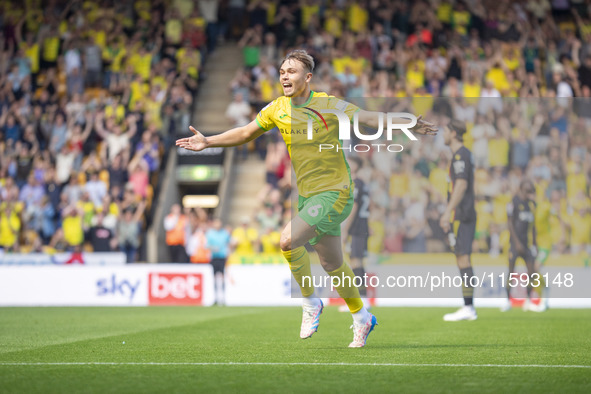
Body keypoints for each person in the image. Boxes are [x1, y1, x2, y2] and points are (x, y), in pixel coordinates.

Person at [176, 49, 436, 347]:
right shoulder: (277, 109)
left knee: (287, 240)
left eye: (292, 71)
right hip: (309, 196)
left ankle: (311, 302)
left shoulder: (327, 104)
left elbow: (366, 118)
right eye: (282, 71)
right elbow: (246, 133)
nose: (284, 75)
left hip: (336, 192)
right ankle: (362, 317)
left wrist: (404, 122)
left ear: (307, 77)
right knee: (332, 264)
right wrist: (208, 140)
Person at [439, 119, 478, 321]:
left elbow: (461, 185)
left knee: (464, 258)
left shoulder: (460, 155)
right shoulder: (460, 155)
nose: (442, 134)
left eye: (445, 130)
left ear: (453, 133)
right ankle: (468, 306)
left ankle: (469, 307)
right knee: (461, 258)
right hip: (461, 214)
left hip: (462, 215)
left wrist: (447, 211)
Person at [504, 180, 546, 312]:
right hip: (515, 244)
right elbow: (510, 224)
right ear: (521, 189)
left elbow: (532, 226)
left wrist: (535, 243)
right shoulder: (514, 202)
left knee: (531, 272)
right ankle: (507, 300)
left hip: (527, 244)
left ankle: (528, 299)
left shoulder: (531, 205)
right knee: (511, 272)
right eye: (528, 190)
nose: (530, 193)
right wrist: (516, 243)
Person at [340, 156, 371, 312]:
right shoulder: (361, 183)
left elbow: (354, 206)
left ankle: (363, 299)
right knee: (355, 261)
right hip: (361, 226)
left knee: (356, 262)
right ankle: (360, 299)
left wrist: (345, 230)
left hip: (358, 227)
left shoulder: (356, 183)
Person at [206, 218, 232, 305]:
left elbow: (230, 243)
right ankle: (215, 297)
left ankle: (223, 298)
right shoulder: (210, 233)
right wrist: (213, 248)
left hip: (222, 257)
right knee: (214, 278)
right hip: (214, 257)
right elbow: (207, 245)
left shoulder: (225, 233)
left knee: (222, 277)